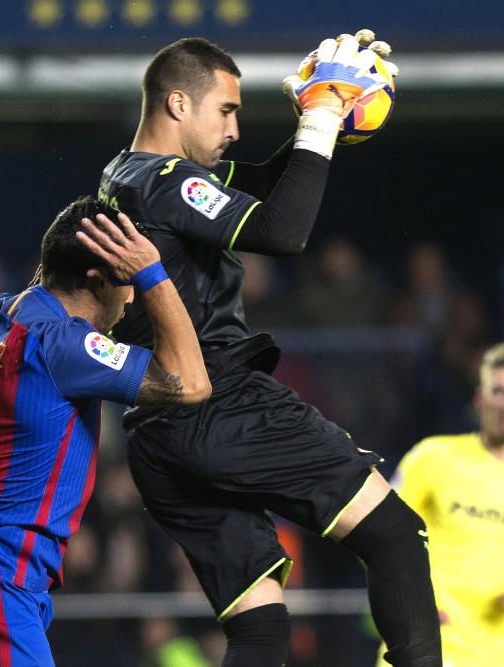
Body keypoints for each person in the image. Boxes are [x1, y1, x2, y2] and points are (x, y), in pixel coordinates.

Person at [96, 34, 442, 666]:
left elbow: (264, 183)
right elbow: (282, 230)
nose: (234, 126)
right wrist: (321, 115)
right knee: (395, 534)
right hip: (220, 404)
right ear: (178, 103)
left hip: (155, 430)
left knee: (261, 631)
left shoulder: (127, 175)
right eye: (226, 110)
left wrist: (321, 120)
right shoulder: (168, 182)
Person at [0, 196, 210, 666]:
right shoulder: (66, 345)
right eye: (127, 283)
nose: (131, 299)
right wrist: (153, 272)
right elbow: (191, 384)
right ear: (97, 279)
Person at [381, 340, 504, 667]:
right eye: (499, 391)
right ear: (480, 398)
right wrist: (411, 603)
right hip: (421, 643)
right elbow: (380, 535)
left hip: (491, 653)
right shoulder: (432, 456)